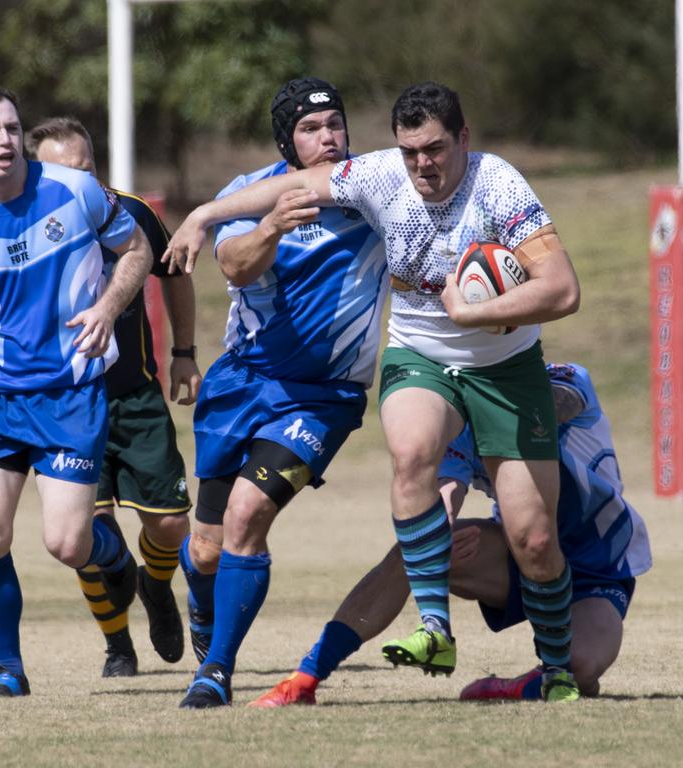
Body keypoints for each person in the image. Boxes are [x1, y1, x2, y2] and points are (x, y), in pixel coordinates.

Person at [165, 81, 583, 701]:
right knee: (411, 453)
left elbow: (564, 290)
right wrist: (203, 214)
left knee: (535, 540)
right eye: (410, 151)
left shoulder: (498, 185)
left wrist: (473, 313)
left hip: (502, 369)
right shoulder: (380, 176)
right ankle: (434, 626)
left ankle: (557, 670)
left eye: (436, 150)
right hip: (414, 357)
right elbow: (292, 187)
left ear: (463, 139)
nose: (423, 166)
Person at [0, 82, 152, 698]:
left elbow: (137, 249)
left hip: (70, 395)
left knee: (67, 543)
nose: (5, 141)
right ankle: (9, 671)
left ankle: (117, 562)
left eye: (12, 128)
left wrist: (106, 306)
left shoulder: (75, 191)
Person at [250, 363, 652, 706]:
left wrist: (489, 398)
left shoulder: (564, 377)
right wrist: (436, 538)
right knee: (412, 550)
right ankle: (305, 678)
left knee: (580, 670)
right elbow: (445, 496)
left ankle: (522, 684)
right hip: (514, 556)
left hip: (597, 568)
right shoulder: (459, 430)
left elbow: (555, 406)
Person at [176, 77, 389, 708]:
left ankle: (215, 672)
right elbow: (236, 266)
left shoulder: (372, 190)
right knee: (207, 548)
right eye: (310, 129)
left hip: (322, 398)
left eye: (335, 125)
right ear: (285, 141)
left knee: (249, 516)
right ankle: (201, 599)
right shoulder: (248, 194)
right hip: (242, 385)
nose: (328, 139)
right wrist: (270, 225)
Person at [23, 117, 201, 677]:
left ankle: (154, 584)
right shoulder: (21, 224)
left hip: (135, 396)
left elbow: (174, 277)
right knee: (86, 533)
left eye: (87, 168)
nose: (79, 181)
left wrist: (185, 352)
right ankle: (118, 646)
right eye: (62, 172)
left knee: (171, 524)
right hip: (65, 403)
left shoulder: (132, 212)